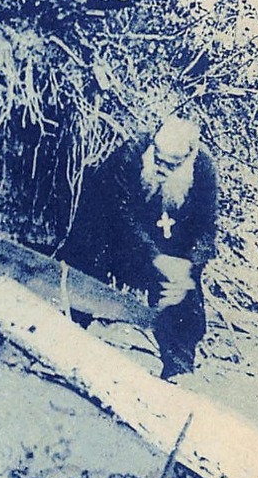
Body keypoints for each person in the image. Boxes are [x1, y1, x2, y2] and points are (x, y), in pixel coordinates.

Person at [62, 116, 218, 380]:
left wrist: (188, 268)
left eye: (171, 165)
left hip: (167, 250)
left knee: (184, 298)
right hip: (117, 243)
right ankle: (67, 335)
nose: (160, 168)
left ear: (188, 158)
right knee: (86, 261)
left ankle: (178, 371)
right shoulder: (131, 154)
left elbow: (206, 229)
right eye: (157, 159)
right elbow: (119, 213)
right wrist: (156, 257)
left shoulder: (203, 169)